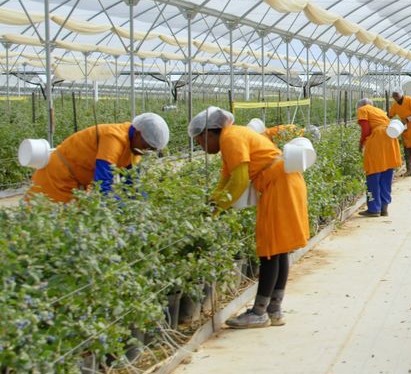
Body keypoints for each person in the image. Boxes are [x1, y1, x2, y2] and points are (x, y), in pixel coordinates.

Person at [189, 107, 309, 329]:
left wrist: (218, 207)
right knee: (278, 248)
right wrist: (212, 205)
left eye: (199, 142)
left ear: (208, 133)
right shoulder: (232, 138)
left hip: (279, 186)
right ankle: (273, 310)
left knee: (270, 250)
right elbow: (226, 178)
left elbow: (240, 180)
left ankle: (259, 312)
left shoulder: (230, 138)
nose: (201, 147)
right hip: (283, 183)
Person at [25, 113, 170, 203]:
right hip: (57, 177)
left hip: (77, 184)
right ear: (138, 133)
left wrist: (143, 203)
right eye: (147, 146)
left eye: (151, 150)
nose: (146, 151)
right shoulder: (113, 138)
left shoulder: (135, 149)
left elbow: (132, 184)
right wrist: (123, 207)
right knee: (45, 220)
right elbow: (103, 186)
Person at [356, 98, 401, 217]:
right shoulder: (379, 111)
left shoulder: (363, 109)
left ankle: (373, 208)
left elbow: (365, 129)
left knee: (373, 173)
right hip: (390, 137)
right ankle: (384, 208)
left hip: (378, 139)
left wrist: (361, 143)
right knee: (387, 171)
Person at [389, 90, 411, 176]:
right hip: (405, 129)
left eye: (396, 95)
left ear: (401, 94)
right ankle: (409, 171)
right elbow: (390, 115)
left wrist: (406, 119)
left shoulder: (409, 100)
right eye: (394, 96)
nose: (395, 97)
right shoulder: (395, 105)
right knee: (407, 152)